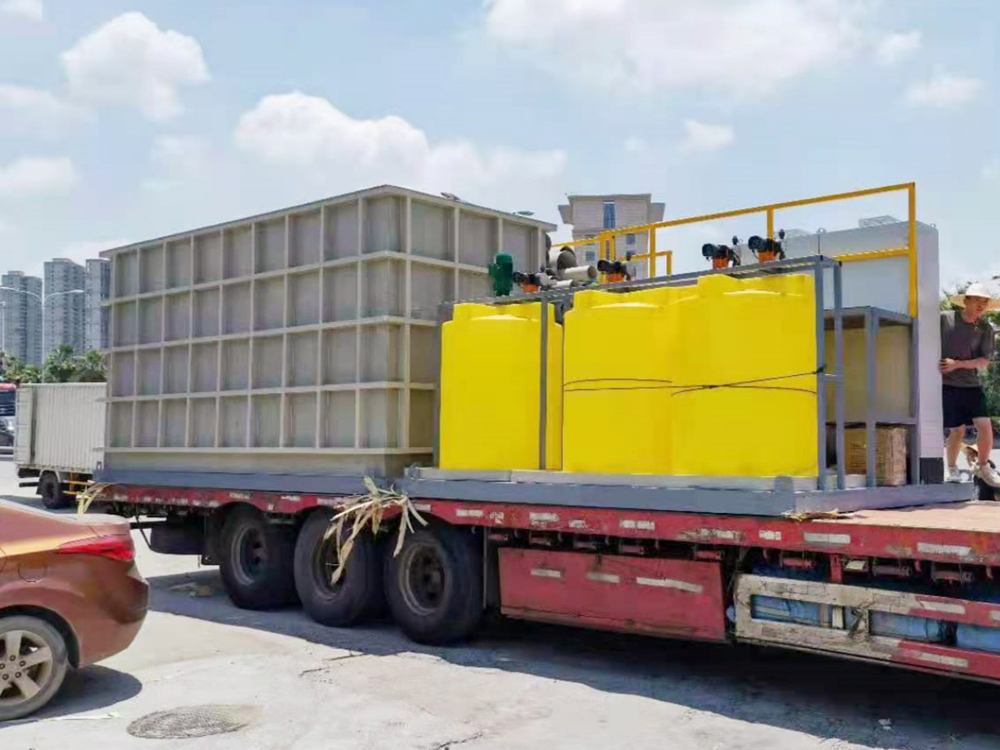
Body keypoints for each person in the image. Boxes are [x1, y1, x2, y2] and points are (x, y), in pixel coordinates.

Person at [941, 282, 999, 485]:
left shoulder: (985, 328)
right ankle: (951, 468)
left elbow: (984, 360)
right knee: (957, 430)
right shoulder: (944, 319)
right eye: (976, 300)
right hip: (946, 384)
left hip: (971, 384)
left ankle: (983, 467)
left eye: (985, 301)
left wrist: (958, 364)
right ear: (965, 301)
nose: (981, 305)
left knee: (985, 426)